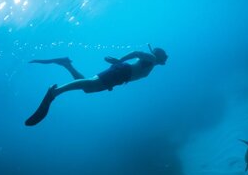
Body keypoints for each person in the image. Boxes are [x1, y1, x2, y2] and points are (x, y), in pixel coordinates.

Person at [25, 44, 168, 126]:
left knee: (88, 87)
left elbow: (136, 66)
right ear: (160, 56)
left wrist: (116, 81)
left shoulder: (152, 63)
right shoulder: (152, 58)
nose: (164, 61)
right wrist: (119, 60)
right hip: (122, 71)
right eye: (164, 58)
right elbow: (137, 53)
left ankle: (66, 64)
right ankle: (55, 92)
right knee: (90, 84)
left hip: (121, 76)